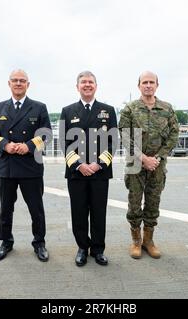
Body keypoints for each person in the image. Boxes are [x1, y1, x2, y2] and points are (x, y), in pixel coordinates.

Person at [0, 69, 51, 262]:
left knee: (36, 209)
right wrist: (6, 145)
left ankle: (39, 243)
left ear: (28, 84)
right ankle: (6, 241)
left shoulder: (39, 107)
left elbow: (46, 134)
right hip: (7, 166)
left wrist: (29, 146)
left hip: (31, 166)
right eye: (15, 80)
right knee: (6, 208)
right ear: (9, 84)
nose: (18, 83)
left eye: (22, 81)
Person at [118, 71, 179, 259]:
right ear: (139, 86)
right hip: (135, 164)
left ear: (157, 85)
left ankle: (149, 240)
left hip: (158, 165)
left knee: (153, 202)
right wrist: (144, 158)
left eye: (151, 82)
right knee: (134, 204)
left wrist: (157, 158)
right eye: (144, 82)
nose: (148, 85)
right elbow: (125, 137)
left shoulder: (167, 109)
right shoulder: (130, 109)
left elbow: (173, 135)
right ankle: (136, 241)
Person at [60, 71, 118, 266]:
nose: (87, 85)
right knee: (78, 211)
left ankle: (98, 249)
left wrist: (97, 164)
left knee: (99, 212)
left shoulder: (108, 111)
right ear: (77, 87)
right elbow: (63, 142)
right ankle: (82, 248)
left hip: (99, 172)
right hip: (76, 173)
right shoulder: (67, 111)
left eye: (90, 82)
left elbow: (113, 142)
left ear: (96, 86)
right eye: (83, 82)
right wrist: (79, 165)